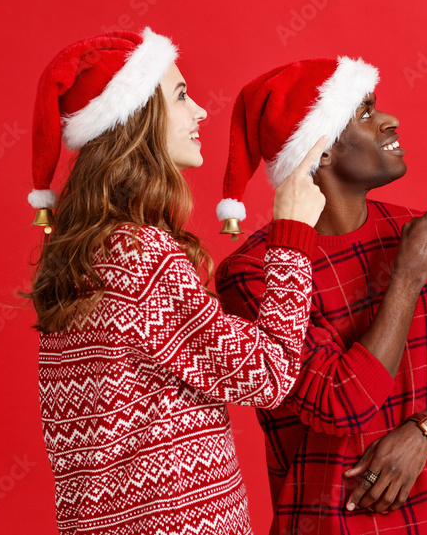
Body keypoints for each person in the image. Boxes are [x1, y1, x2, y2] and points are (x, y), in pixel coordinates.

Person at [24, 28, 328, 535]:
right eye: (182, 96)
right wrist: (293, 234)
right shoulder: (141, 256)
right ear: (137, 117)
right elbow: (269, 377)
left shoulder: (81, 253)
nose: (202, 113)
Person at [214, 57, 427, 535]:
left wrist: (423, 432)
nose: (389, 119)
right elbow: (340, 401)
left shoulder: (420, 234)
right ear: (319, 152)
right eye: (365, 112)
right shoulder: (254, 274)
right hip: (333, 525)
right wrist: (407, 277)